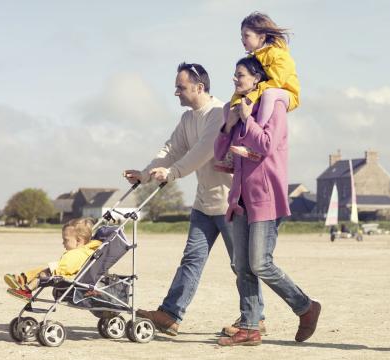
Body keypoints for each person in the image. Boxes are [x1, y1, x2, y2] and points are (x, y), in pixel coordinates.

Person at [123, 62, 265, 336]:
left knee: (241, 264)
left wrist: (173, 173)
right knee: (191, 259)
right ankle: (170, 314)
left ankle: (255, 318)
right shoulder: (188, 119)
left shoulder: (218, 112)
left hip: (230, 203)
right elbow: (171, 149)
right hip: (203, 204)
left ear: (199, 87)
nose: (176, 92)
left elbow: (205, 150)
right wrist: (145, 174)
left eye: (181, 87)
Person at [214, 57, 320, 346]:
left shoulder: (273, 107)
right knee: (242, 264)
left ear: (257, 78)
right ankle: (250, 327)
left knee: (260, 262)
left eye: (241, 75)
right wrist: (229, 125)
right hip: (239, 199)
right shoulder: (234, 110)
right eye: (234, 75)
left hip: (266, 196)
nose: (236, 80)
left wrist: (248, 119)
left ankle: (306, 307)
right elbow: (219, 155)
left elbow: (266, 145)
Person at [214, 11, 300, 172]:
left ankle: (255, 138)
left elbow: (276, 82)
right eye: (241, 36)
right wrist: (236, 104)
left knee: (269, 94)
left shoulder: (279, 55)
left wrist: (250, 99)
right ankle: (231, 155)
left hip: (286, 93)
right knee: (228, 107)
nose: (242, 40)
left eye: (246, 35)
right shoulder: (255, 58)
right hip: (266, 92)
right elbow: (248, 87)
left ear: (261, 37)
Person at [4, 218, 100, 301]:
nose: (63, 243)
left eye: (66, 240)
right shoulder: (83, 251)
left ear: (79, 241)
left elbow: (68, 266)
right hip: (66, 273)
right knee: (42, 270)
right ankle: (22, 279)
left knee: (44, 273)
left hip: (68, 277)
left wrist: (54, 270)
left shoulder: (79, 253)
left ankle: (26, 290)